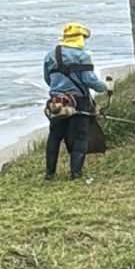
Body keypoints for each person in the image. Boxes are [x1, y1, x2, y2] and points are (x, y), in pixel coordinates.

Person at [43, 22, 111, 181]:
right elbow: (90, 81)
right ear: (80, 38)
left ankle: (49, 174)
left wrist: (60, 88)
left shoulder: (50, 55)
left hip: (57, 103)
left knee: (55, 137)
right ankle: (75, 174)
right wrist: (104, 87)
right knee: (80, 137)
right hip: (79, 102)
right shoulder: (82, 56)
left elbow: (48, 79)